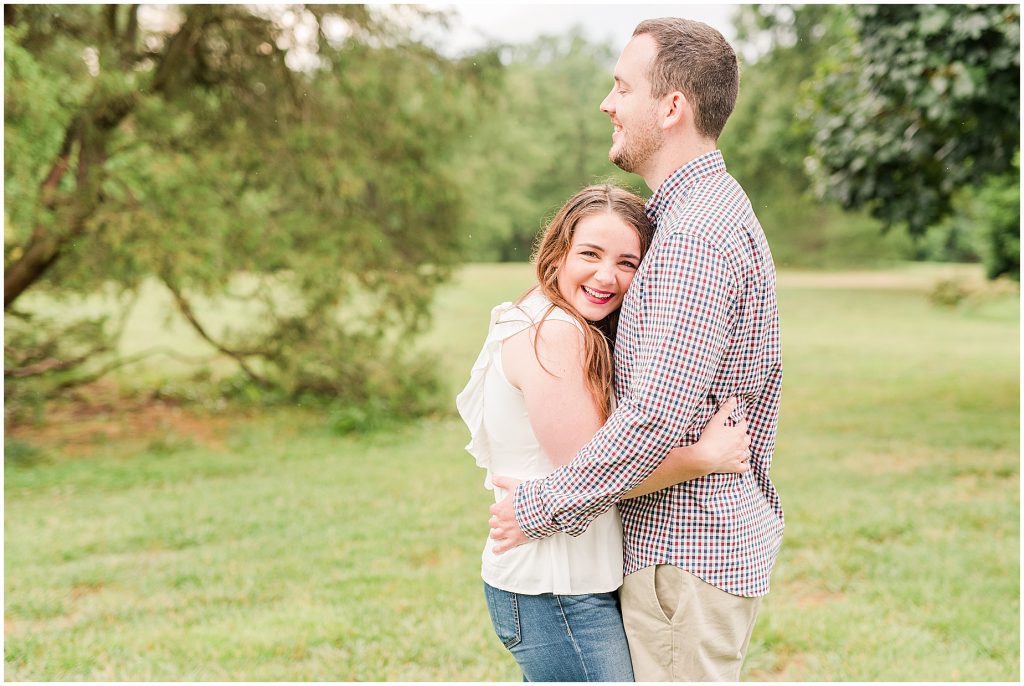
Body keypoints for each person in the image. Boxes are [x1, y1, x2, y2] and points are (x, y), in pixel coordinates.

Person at [487, 18, 784, 682]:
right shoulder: (683, 218)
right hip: (680, 555)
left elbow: (652, 416)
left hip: (685, 556)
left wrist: (539, 505)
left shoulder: (695, 237)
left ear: (671, 107)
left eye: (623, 86)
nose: (608, 103)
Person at [456, 184, 754, 682]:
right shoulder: (554, 334)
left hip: (563, 586)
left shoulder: (554, 320)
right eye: (590, 254)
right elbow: (596, 473)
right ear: (557, 254)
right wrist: (704, 456)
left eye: (627, 262)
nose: (606, 276)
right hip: (554, 592)